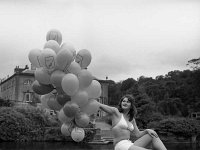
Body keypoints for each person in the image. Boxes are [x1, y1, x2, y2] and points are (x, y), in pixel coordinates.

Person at [98, 94, 167, 150]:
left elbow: (138, 134)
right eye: (123, 101)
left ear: (131, 105)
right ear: (121, 103)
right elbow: (100, 106)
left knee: (153, 135)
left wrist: (147, 130)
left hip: (129, 143)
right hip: (120, 145)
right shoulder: (116, 112)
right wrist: (92, 101)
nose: (125, 103)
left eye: (128, 102)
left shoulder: (132, 119)